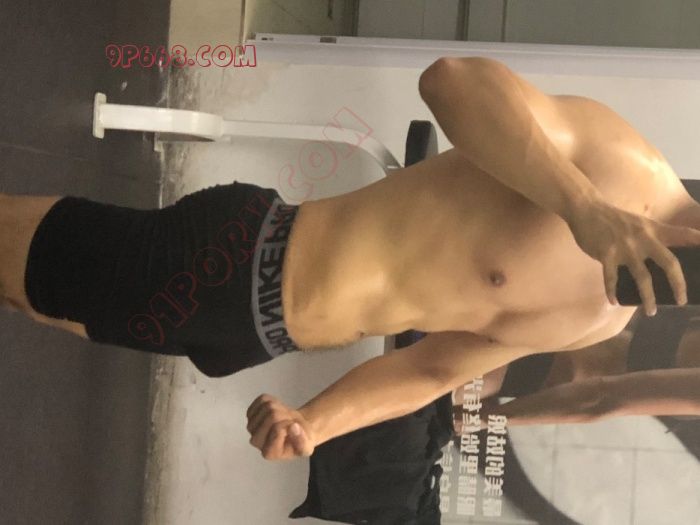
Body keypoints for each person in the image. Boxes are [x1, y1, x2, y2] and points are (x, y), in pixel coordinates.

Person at [2, 57, 700, 461]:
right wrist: (583, 207)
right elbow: (451, 81)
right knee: (25, 267)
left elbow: (431, 369)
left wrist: (315, 422)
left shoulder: (601, 320)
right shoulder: (622, 166)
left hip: (254, 333)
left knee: (33, 298)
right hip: (239, 259)